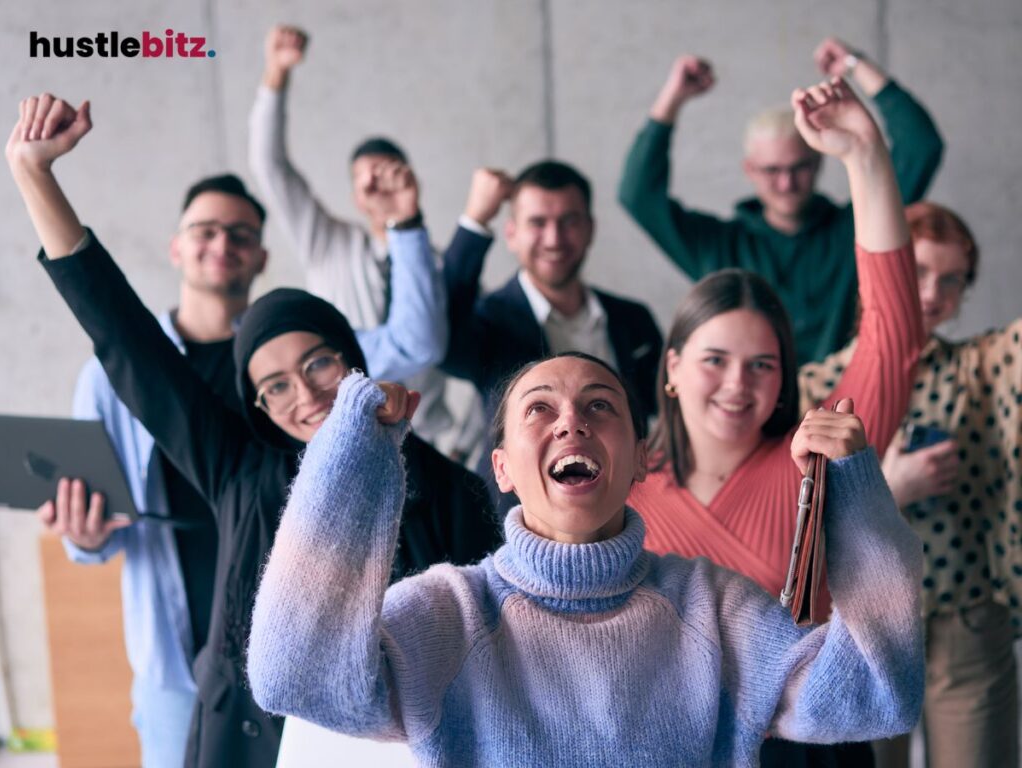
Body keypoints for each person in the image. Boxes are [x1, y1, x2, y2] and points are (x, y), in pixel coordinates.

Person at [6, 93, 502, 768]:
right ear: (260, 408)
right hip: (248, 740)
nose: (305, 396)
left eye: (319, 364)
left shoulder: (443, 482)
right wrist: (34, 175)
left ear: (354, 362)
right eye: (274, 387)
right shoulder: (241, 469)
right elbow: (119, 330)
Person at [247, 351, 924, 766]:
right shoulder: (450, 611)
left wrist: (857, 492)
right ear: (503, 468)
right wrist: (352, 458)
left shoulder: (710, 607)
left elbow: (873, 697)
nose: (571, 422)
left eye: (600, 406)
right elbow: (296, 678)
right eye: (540, 409)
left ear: (637, 463)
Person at [627, 76, 926, 766]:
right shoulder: (623, 480)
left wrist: (865, 156)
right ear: (671, 366)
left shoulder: (815, 457)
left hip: (808, 751)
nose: (738, 384)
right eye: (715, 360)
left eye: (763, 364)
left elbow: (893, 334)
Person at [34, 173, 266, 768]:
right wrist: (85, 536)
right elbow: (93, 537)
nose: (222, 244)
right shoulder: (113, 373)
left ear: (261, 255)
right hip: (173, 665)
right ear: (176, 246)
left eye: (239, 234)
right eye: (205, 230)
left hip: (278, 650)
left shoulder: (278, 366)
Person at [800, 201, 1022, 768]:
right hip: (862, 627)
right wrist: (888, 490)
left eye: (951, 280)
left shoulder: (981, 366)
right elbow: (793, 532)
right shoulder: (818, 385)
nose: (931, 293)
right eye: (918, 272)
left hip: (964, 617)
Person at [618, 37, 943, 365]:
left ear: (819, 161)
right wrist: (673, 97)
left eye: (798, 167)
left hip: (849, 404)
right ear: (750, 170)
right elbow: (639, 196)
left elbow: (920, 147)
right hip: (750, 410)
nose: (786, 183)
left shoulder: (858, 227)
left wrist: (856, 65)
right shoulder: (719, 246)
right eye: (772, 170)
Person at [249, 23, 476, 455]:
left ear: (409, 179)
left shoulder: (436, 260)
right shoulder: (326, 241)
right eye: (364, 178)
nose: (377, 185)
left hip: (428, 442)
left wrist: (464, 445)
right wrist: (276, 75)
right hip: (341, 435)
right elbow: (270, 167)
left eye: (388, 172)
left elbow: (464, 352)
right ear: (352, 193)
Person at [442, 161, 663, 500]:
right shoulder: (489, 320)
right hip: (516, 521)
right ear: (512, 234)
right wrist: (475, 219)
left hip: (629, 512)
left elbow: (654, 415)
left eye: (569, 221)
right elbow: (441, 340)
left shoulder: (633, 319)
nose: (554, 238)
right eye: (537, 222)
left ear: (590, 228)